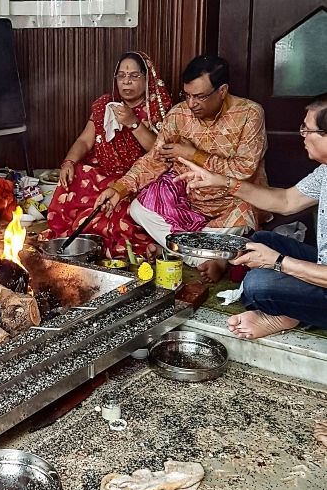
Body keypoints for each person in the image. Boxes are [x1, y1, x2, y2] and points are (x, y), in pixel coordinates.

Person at [96, 55, 268, 281]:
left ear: (222, 90)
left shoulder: (250, 114)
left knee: (246, 210)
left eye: (199, 96)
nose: (191, 104)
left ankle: (182, 251)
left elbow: (243, 169)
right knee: (139, 209)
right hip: (187, 199)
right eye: (186, 95)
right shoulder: (179, 114)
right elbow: (155, 160)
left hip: (231, 200)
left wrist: (192, 154)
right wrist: (119, 188)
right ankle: (211, 257)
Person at [177, 92, 327, 339]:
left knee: (258, 284)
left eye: (308, 130)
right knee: (261, 240)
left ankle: (287, 316)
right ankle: (293, 308)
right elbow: (285, 201)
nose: (302, 135)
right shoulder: (324, 171)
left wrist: (277, 262)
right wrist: (222, 182)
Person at [44, 51, 172, 257]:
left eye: (133, 76)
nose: (126, 82)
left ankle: (119, 244)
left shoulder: (157, 109)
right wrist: (68, 161)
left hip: (137, 180)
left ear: (147, 78)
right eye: (121, 76)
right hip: (103, 174)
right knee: (75, 174)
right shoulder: (105, 105)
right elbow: (85, 140)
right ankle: (78, 237)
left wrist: (133, 122)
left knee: (122, 211)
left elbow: (159, 152)